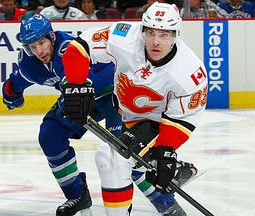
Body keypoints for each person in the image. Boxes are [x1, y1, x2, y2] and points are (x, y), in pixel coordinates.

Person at [2, 13, 174, 216]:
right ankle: (77, 195)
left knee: (122, 154)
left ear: (52, 36)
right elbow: (18, 80)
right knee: (50, 135)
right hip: (79, 96)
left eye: (42, 42)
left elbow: (84, 80)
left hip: (114, 95)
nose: (39, 51)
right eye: (32, 46)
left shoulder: (68, 49)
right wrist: (11, 93)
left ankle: (166, 203)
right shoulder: (30, 64)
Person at [60, 2, 207, 216]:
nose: (156, 42)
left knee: (111, 158)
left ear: (176, 34)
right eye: (151, 33)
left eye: (164, 35)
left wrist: (165, 150)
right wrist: (76, 85)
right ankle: (172, 174)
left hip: (157, 122)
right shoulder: (124, 36)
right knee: (127, 163)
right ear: (142, 30)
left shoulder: (190, 73)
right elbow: (79, 48)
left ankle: (163, 167)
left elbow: (182, 120)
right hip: (124, 112)